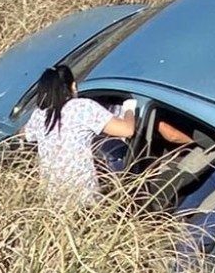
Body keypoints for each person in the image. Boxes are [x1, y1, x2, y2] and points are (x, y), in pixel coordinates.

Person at [22, 65, 136, 207]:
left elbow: (23, 135)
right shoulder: (82, 107)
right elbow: (127, 130)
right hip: (84, 200)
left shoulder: (39, 115)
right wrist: (129, 109)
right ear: (74, 86)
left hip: (52, 204)